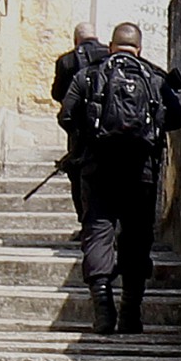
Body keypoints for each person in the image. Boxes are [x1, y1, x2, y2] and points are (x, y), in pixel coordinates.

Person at [58, 22, 181, 335]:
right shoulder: (154, 77)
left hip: (98, 169)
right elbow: (178, 117)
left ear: (112, 46)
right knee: (137, 237)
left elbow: (65, 114)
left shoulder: (89, 74)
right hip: (141, 172)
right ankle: (131, 314)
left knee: (98, 232)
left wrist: (87, 137)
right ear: (139, 49)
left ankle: (103, 311)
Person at [50, 23, 110, 228]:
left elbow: (57, 94)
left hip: (79, 131)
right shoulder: (110, 56)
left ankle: (85, 222)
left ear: (76, 40)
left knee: (78, 175)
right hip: (109, 128)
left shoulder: (66, 61)